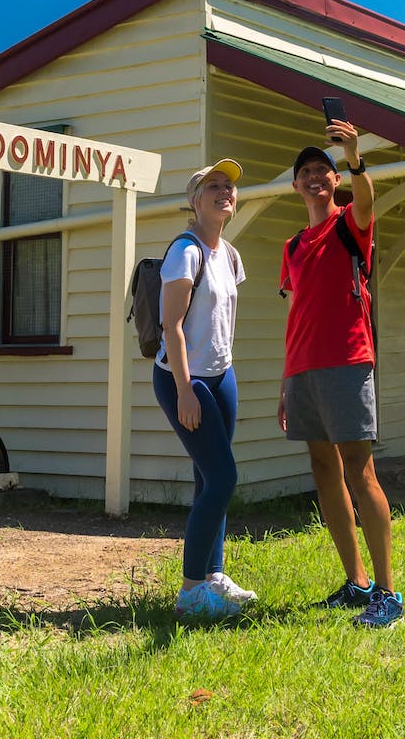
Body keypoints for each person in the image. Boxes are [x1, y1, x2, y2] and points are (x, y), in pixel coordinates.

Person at [278, 122, 404, 628]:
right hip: (303, 369)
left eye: (322, 172)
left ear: (334, 182)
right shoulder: (291, 247)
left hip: (348, 362)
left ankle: (388, 595)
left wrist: (354, 158)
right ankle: (357, 584)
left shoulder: (351, 224)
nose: (314, 178)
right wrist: (285, 384)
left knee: (360, 471)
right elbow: (297, 313)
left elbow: (368, 199)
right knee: (324, 471)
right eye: (306, 172)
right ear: (295, 185)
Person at [153, 158, 253, 621]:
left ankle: (214, 574)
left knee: (209, 475)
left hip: (221, 374)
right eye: (213, 186)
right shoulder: (186, 251)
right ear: (195, 202)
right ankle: (191, 592)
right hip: (184, 378)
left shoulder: (229, 255)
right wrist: (185, 390)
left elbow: (221, 324)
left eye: (229, 186)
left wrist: (222, 374)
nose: (224, 192)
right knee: (224, 478)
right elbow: (171, 327)